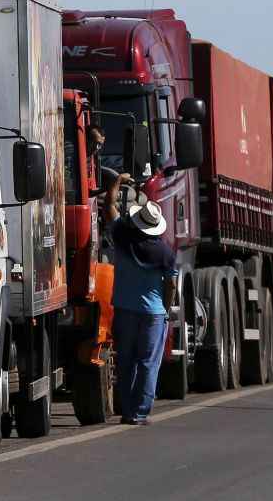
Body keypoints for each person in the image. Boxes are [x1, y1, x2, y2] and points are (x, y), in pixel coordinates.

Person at [104, 173, 177, 426]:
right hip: (153, 314)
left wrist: (116, 182)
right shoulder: (165, 252)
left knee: (125, 360)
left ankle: (126, 410)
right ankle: (140, 412)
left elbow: (110, 206)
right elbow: (171, 284)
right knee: (148, 363)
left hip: (124, 309)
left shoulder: (122, 237)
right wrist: (166, 310)